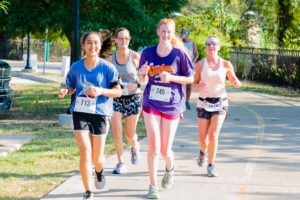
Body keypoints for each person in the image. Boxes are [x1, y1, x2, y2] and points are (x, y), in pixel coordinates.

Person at [58, 31, 122, 200]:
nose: (92, 46)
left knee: (97, 158)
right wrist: (67, 91)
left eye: (95, 43)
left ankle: (99, 170)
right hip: (80, 112)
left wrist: (100, 90)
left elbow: (118, 92)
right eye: (89, 43)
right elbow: (71, 86)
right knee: (85, 152)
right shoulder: (76, 67)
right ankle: (88, 191)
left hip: (100, 113)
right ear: (83, 45)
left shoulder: (108, 68)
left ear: (100, 46)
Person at [138, 18, 194, 199]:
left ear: (173, 33)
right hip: (151, 102)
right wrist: (142, 74)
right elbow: (140, 80)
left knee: (165, 150)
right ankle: (152, 186)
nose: (165, 35)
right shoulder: (147, 53)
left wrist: (171, 78)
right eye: (163, 31)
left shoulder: (180, 54)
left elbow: (191, 79)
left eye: (169, 32)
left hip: (172, 104)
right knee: (153, 147)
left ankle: (170, 167)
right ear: (157, 32)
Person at [192, 35, 241, 177]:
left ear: (218, 46)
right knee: (202, 139)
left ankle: (211, 165)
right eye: (208, 43)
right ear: (205, 47)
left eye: (214, 43)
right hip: (203, 103)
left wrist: (236, 83)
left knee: (213, 135)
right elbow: (193, 83)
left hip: (220, 103)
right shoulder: (200, 64)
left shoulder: (226, 64)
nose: (211, 46)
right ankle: (203, 151)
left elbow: (234, 79)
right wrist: (198, 85)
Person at [106, 27, 142, 174]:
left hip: (133, 98)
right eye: (121, 38)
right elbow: (106, 78)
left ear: (129, 40)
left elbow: (144, 75)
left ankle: (134, 145)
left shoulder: (135, 56)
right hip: (116, 98)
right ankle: (120, 162)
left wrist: (137, 84)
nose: (123, 41)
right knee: (117, 131)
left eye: (126, 38)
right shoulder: (110, 59)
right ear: (116, 40)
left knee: (129, 134)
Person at [181, 28, 199, 110]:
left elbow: (196, 54)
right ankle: (180, 101)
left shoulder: (192, 43)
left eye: (185, 32)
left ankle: (187, 101)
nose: (184, 34)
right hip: (180, 65)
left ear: (188, 34)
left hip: (190, 65)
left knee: (189, 85)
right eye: (182, 32)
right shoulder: (178, 42)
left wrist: (193, 60)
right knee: (180, 84)